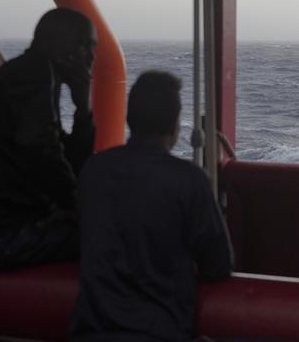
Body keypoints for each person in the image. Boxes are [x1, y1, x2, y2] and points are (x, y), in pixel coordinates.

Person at [70, 70, 233, 342]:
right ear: (175, 125)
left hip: (90, 331)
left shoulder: (94, 170)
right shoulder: (189, 180)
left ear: (129, 119)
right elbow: (218, 265)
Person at [0, 8, 97, 267]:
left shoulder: (27, 76)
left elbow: (70, 162)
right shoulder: (33, 75)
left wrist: (83, 111)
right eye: (85, 46)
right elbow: (40, 149)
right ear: (58, 44)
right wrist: (81, 206)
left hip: (1, 224)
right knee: (114, 231)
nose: (92, 57)